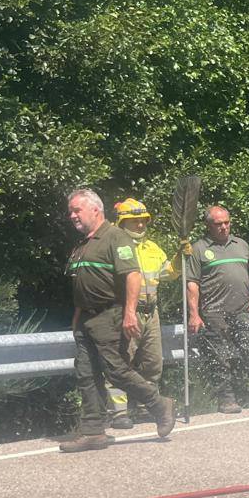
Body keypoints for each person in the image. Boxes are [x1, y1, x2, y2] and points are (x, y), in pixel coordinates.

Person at [61, 189, 177, 452]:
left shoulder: (115, 237)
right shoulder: (83, 245)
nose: (72, 216)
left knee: (116, 370)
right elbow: (82, 285)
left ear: (95, 209)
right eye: (71, 211)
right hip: (85, 319)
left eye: (76, 210)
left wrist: (128, 313)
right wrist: (77, 319)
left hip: (110, 315)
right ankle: (93, 431)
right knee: (86, 375)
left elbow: (133, 276)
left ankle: (159, 405)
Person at [186, 206, 249, 414]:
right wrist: (194, 314)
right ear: (208, 225)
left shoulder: (241, 245)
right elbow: (192, 284)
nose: (223, 227)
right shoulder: (199, 248)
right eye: (218, 224)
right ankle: (227, 400)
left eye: (226, 222)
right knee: (220, 359)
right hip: (213, 312)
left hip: (241, 310)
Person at [106, 198, 176, 430]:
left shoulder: (152, 248)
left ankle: (149, 404)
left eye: (143, 220)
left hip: (151, 312)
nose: (140, 225)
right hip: (126, 311)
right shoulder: (115, 246)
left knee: (152, 363)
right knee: (121, 362)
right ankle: (119, 412)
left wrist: (182, 258)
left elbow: (169, 273)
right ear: (122, 222)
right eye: (134, 221)